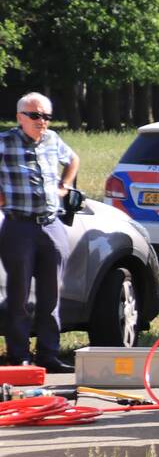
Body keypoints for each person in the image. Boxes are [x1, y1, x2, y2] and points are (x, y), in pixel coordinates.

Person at [0, 92, 79, 372]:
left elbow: (73, 159)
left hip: (51, 225)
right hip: (18, 226)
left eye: (46, 116)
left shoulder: (53, 140)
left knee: (51, 295)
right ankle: (19, 355)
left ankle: (49, 355)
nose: (41, 121)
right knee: (19, 295)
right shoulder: (5, 142)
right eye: (35, 115)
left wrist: (65, 187)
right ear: (20, 117)